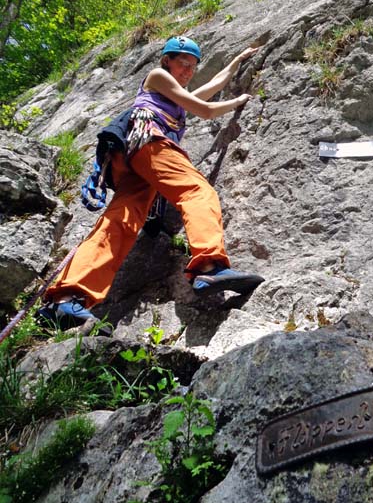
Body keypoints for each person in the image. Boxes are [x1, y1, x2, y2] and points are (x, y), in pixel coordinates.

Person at [38, 35, 264, 332]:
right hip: (150, 144)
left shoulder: (172, 96)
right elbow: (205, 110)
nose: (187, 71)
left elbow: (210, 91)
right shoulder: (157, 77)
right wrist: (240, 100)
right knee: (195, 190)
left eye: (192, 67)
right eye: (182, 64)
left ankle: (67, 297)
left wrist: (236, 62)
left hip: (132, 161)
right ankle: (209, 267)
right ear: (165, 61)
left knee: (119, 221)